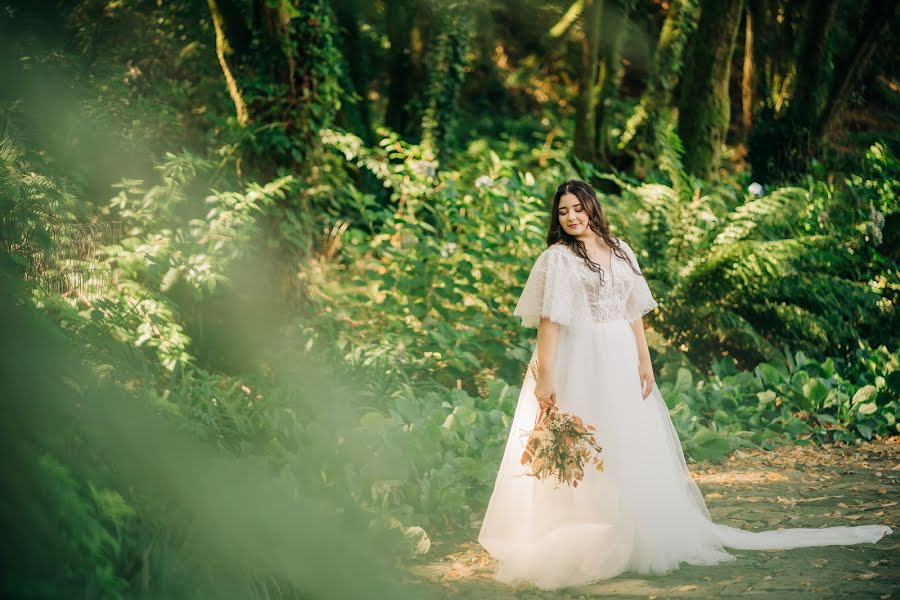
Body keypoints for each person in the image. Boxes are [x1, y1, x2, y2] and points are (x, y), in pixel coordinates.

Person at [476, 179, 892, 590]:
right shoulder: (557, 259)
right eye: (563, 211)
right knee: (584, 446)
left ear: (592, 207)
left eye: (577, 208)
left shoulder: (620, 250)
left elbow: (632, 310)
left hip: (618, 355)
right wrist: (545, 378)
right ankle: (582, 534)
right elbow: (549, 322)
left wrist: (644, 359)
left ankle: (633, 534)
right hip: (578, 359)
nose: (570, 217)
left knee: (626, 443)